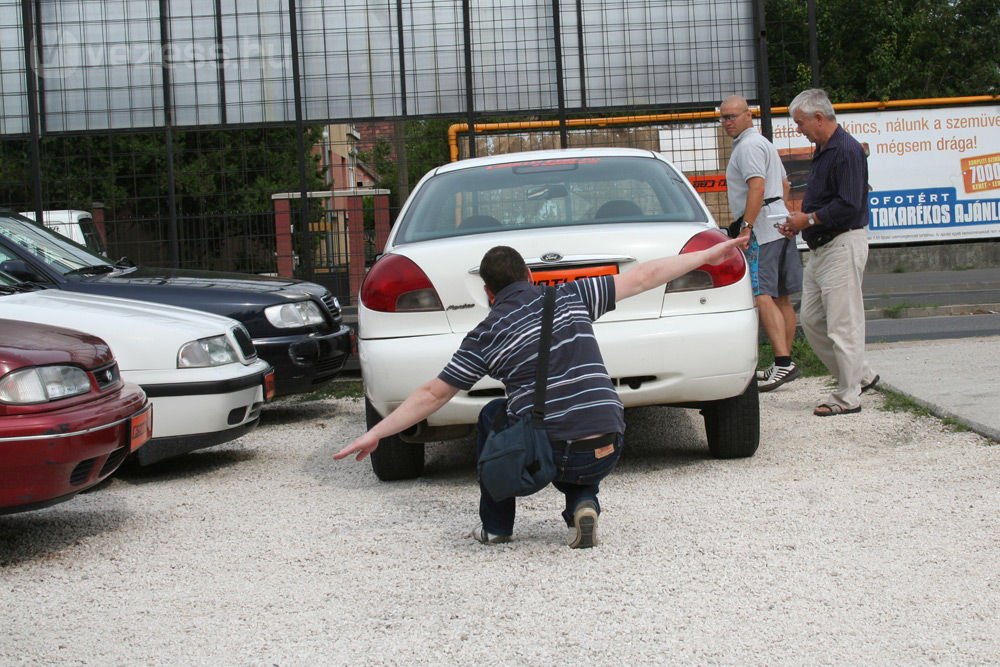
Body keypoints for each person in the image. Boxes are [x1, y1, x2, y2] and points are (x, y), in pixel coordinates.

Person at [334, 238, 747, 547]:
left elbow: (431, 395)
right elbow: (644, 276)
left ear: (488, 294)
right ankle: (582, 503)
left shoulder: (487, 334)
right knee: (576, 426)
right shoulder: (572, 295)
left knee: (493, 415)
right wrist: (708, 255)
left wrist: (377, 432)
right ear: (530, 277)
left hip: (547, 454)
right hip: (609, 441)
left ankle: (496, 527)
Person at [777, 88, 879, 416]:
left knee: (842, 324)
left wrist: (807, 218)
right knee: (812, 318)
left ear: (819, 118)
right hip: (821, 246)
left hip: (842, 243)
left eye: (801, 122)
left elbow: (849, 204)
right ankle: (859, 375)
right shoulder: (824, 148)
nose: (798, 129)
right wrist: (802, 224)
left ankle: (848, 396)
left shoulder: (846, 151)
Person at [720, 95, 803, 392]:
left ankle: (783, 362)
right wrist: (783, 213)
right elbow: (783, 184)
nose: (727, 122)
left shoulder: (748, 147)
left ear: (748, 116)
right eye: (723, 117)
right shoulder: (764, 143)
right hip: (779, 221)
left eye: (732, 116)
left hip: (764, 228)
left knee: (761, 292)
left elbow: (756, 186)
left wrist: (747, 226)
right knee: (781, 295)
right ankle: (785, 361)